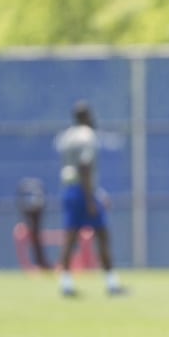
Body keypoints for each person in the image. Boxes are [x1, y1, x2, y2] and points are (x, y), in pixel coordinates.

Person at [55, 100, 124, 296]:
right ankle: (112, 283)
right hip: (83, 191)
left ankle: (66, 283)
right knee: (102, 235)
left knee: (70, 236)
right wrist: (91, 198)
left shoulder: (66, 136)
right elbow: (85, 167)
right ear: (87, 116)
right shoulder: (88, 136)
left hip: (69, 189)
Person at [16, 177, 51, 270]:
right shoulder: (31, 212)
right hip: (33, 233)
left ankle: (41, 264)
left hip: (36, 233)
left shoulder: (36, 212)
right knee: (35, 249)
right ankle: (40, 264)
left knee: (37, 249)